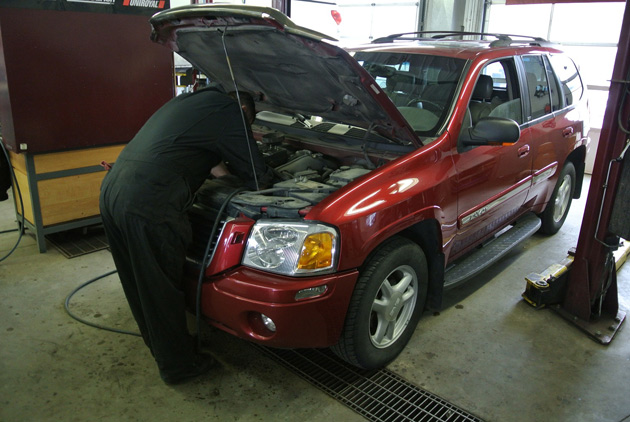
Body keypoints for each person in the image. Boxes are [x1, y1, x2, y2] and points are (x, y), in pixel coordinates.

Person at [99, 88, 272, 384]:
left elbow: (211, 161)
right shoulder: (230, 111)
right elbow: (257, 176)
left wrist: (228, 175)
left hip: (114, 190)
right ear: (244, 111)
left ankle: (163, 347)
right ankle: (178, 366)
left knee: (139, 281)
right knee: (160, 288)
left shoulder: (193, 102)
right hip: (149, 200)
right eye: (248, 125)